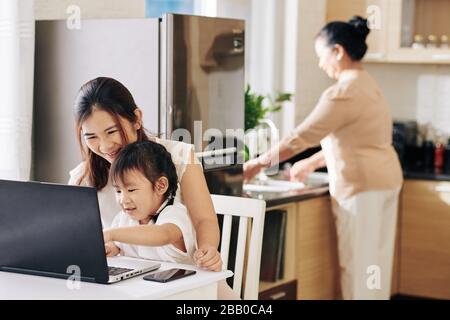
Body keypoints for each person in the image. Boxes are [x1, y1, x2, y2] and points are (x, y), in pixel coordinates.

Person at [244, 16, 403, 300]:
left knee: (361, 267)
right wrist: (312, 163)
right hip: (384, 180)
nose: (321, 64)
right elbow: (353, 139)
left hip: (362, 187)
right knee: (375, 266)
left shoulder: (343, 92)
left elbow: (299, 138)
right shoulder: (367, 84)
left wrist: (255, 164)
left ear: (338, 51)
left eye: (322, 56)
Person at [69, 77, 238, 299]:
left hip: (186, 286)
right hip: (130, 290)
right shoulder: (83, 177)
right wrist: (111, 249)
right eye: (91, 136)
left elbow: (201, 220)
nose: (105, 146)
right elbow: (83, 241)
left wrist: (208, 249)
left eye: (112, 131)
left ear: (136, 119)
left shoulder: (177, 157)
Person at [103, 140, 200, 267]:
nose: (123, 199)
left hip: (183, 285)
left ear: (160, 186)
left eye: (131, 190)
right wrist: (112, 247)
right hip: (144, 285)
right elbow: (118, 244)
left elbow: (163, 235)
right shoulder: (124, 218)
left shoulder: (175, 213)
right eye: (118, 191)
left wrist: (111, 234)